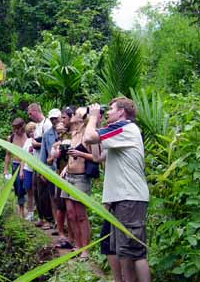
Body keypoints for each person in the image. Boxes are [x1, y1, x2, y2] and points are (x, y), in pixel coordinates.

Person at [84, 97, 151, 282]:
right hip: (122, 199)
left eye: (111, 109)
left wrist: (92, 118)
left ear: (122, 112)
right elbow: (97, 157)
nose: (108, 113)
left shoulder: (125, 127)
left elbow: (89, 137)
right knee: (125, 253)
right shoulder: (119, 133)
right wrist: (95, 122)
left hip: (129, 198)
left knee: (135, 253)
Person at [60, 107, 101, 259]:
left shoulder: (87, 134)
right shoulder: (74, 134)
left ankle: (86, 249)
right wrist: (65, 167)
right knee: (70, 214)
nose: (73, 115)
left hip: (81, 177)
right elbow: (71, 155)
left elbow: (96, 157)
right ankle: (77, 245)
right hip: (69, 177)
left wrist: (80, 153)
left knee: (81, 215)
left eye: (76, 114)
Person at [27, 103, 52, 227]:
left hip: (44, 164)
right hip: (35, 163)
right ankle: (41, 217)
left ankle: (48, 219)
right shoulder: (37, 126)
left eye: (30, 113)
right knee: (37, 191)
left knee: (44, 193)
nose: (29, 116)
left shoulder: (47, 124)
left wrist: (37, 145)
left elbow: (50, 144)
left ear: (35, 111)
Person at [39, 108, 62, 230]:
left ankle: (64, 225)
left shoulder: (65, 132)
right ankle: (57, 223)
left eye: (56, 118)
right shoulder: (47, 134)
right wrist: (42, 171)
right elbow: (43, 153)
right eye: (52, 119)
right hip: (51, 169)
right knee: (53, 197)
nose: (54, 121)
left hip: (63, 169)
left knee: (62, 198)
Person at [3, 118, 27, 218]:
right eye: (14, 128)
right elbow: (8, 154)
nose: (16, 131)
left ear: (23, 127)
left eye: (18, 128)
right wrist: (5, 169)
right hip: (16, 165)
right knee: (18, 187)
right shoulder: (11, 138)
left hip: (27, 165)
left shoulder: (28, 136)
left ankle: (30, 209)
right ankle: (21, 210)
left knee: (28, 187)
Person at [20, 122, 36, 222]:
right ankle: (30, 212)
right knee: (29, 192)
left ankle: (37, 211)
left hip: (36, 169)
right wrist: (21, 170)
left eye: (33, 130)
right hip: (27, 169)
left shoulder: (39, 140)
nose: (32, 133)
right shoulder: (27, 142)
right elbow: (23, 157)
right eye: (29, 131)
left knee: (37, 192)